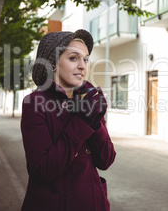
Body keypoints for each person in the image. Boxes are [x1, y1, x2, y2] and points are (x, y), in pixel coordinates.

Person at [20, 29, 116, 211]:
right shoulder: (34, 103)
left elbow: (106, 160)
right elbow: (43, 170)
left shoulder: (88, 100)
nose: (82, 66)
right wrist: (83, 122)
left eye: (85, 59)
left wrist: (96, 120)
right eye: (73, 58)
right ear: (53, 63)